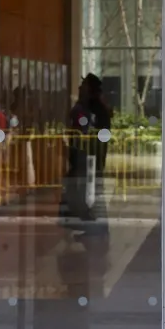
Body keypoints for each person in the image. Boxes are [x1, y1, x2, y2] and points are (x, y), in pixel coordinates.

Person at [63, 73, 113, 226]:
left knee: (89, 188)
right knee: (84, 187)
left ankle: (94, 224)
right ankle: (87, 219)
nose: (80, 88)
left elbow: (96, 132)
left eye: (84, 85)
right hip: (85, 154)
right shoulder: (90, 106)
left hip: (88, 155)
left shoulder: (94, 109)